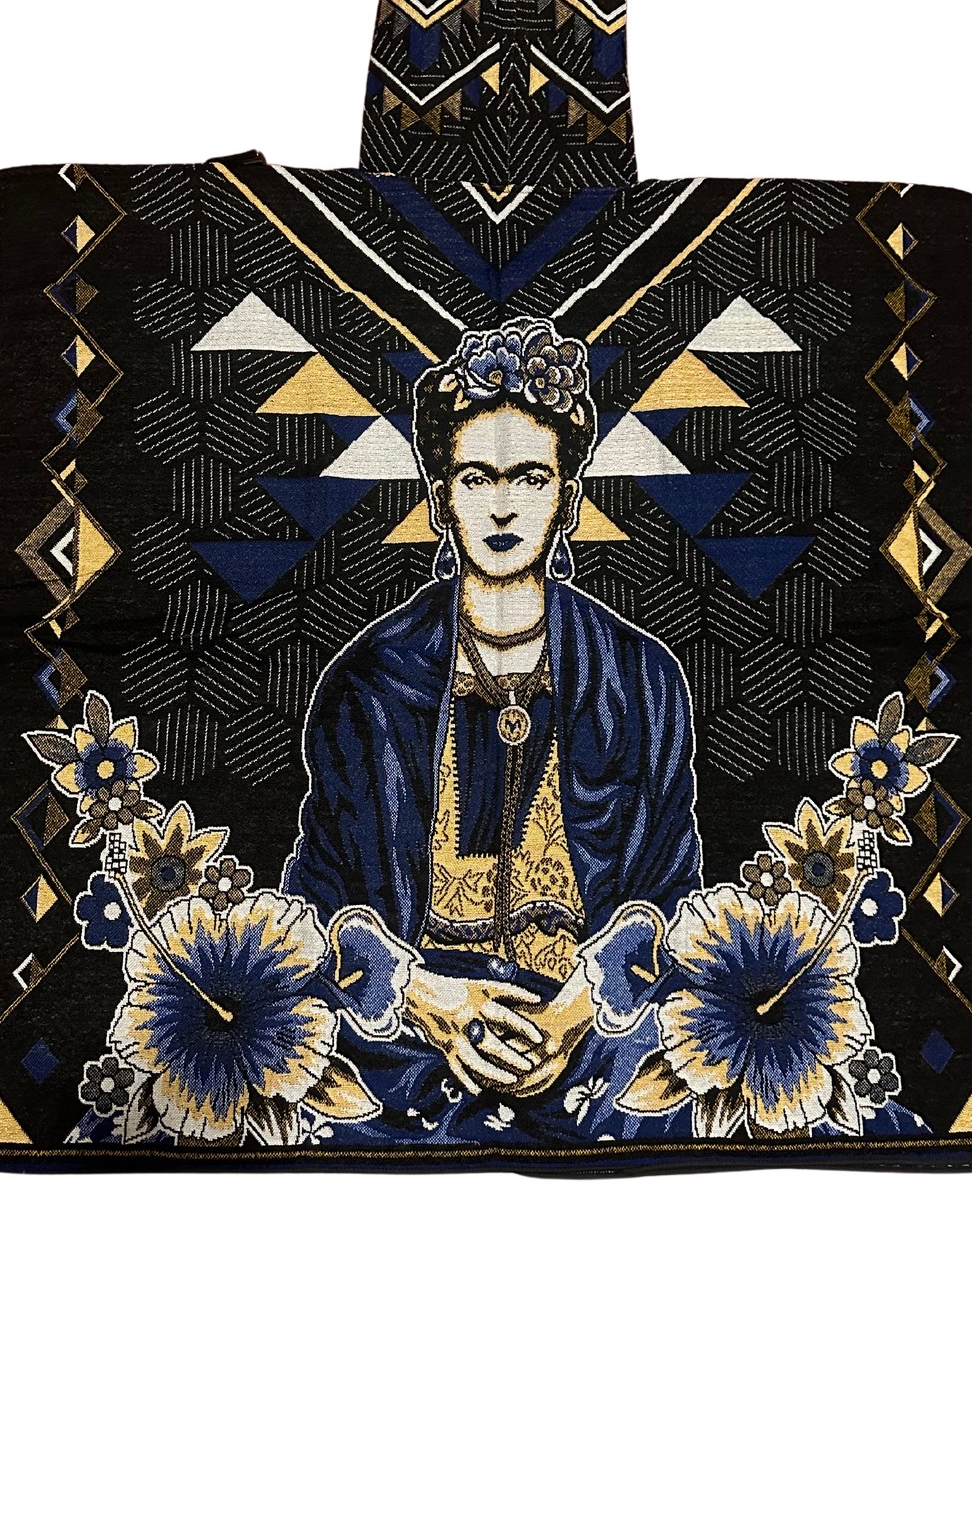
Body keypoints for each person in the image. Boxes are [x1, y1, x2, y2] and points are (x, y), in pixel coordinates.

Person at [282, 316, 704, 1143]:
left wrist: (579, 1010)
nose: (503, 505)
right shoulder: (369, 682)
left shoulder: (641, 679)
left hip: (594, 1031)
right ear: (440, 497)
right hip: (408, 1035)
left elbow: (673, 888)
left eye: (531, 478)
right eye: (476, 478)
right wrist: (422, 998)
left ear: (568, 499)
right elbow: (320, 897)